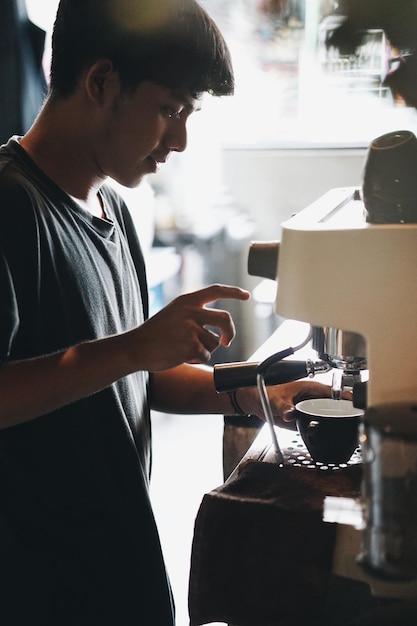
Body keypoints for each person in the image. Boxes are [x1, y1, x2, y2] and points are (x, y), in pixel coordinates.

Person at [0, 0, 332, 624]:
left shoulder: (113, 209)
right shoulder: (11, 208)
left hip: (120, 553)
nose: (179, 140)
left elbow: (134, 382)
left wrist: (264, 393)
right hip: (40, 583)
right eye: (169, 110)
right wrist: (132, 348)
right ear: (101, 83)